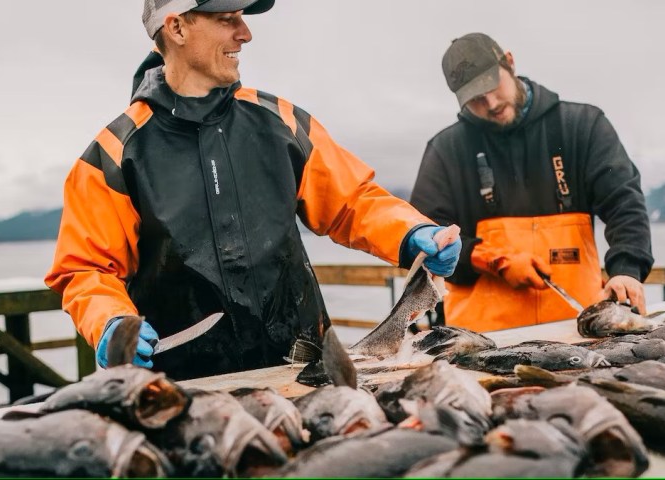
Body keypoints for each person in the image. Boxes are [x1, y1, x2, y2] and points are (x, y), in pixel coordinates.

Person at [45, 0, 461, 380]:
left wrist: (411, 232)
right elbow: (86, 270)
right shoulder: (114, 153)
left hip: (304, 371)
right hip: (184, 386)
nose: (245, 33)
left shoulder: (279, 120)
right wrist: (111, 323)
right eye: (228, 20)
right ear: (176, 27)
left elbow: (351, 202)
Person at [410, 32, 653, 332]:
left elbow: (624, 203)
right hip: (481, 343)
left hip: (579, 333)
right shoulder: (446, 150)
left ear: (509, 62)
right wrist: (496, 261)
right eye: (475, 99)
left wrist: (627, 270)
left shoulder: (582, 126)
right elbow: (424, 240)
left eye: (491, 85)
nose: (490, 103)